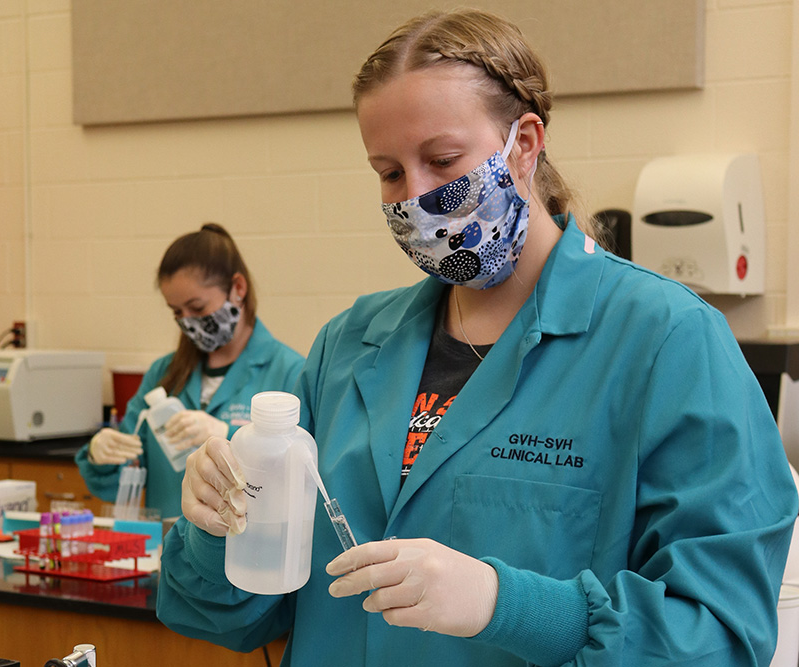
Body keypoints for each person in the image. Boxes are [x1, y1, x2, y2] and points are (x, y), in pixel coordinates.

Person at [155, 8, 799, 666]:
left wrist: (502, 602)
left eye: (442, 159)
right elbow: (237, 615)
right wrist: (215, 529)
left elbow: (720, 634)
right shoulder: (347, 349)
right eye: (389, 172)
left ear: (524, 143)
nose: (416, 198)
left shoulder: (666, 342)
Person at [75, 223, 305, 519]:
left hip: (243, 551)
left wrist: (230, 436)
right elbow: (117, 483)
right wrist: (100, 455)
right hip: (172, 553)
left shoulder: (289, 373)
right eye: (177, 313)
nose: (188, 322)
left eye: (196, 308)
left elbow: (297, 479)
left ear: (238, 289)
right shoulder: (164, 374)